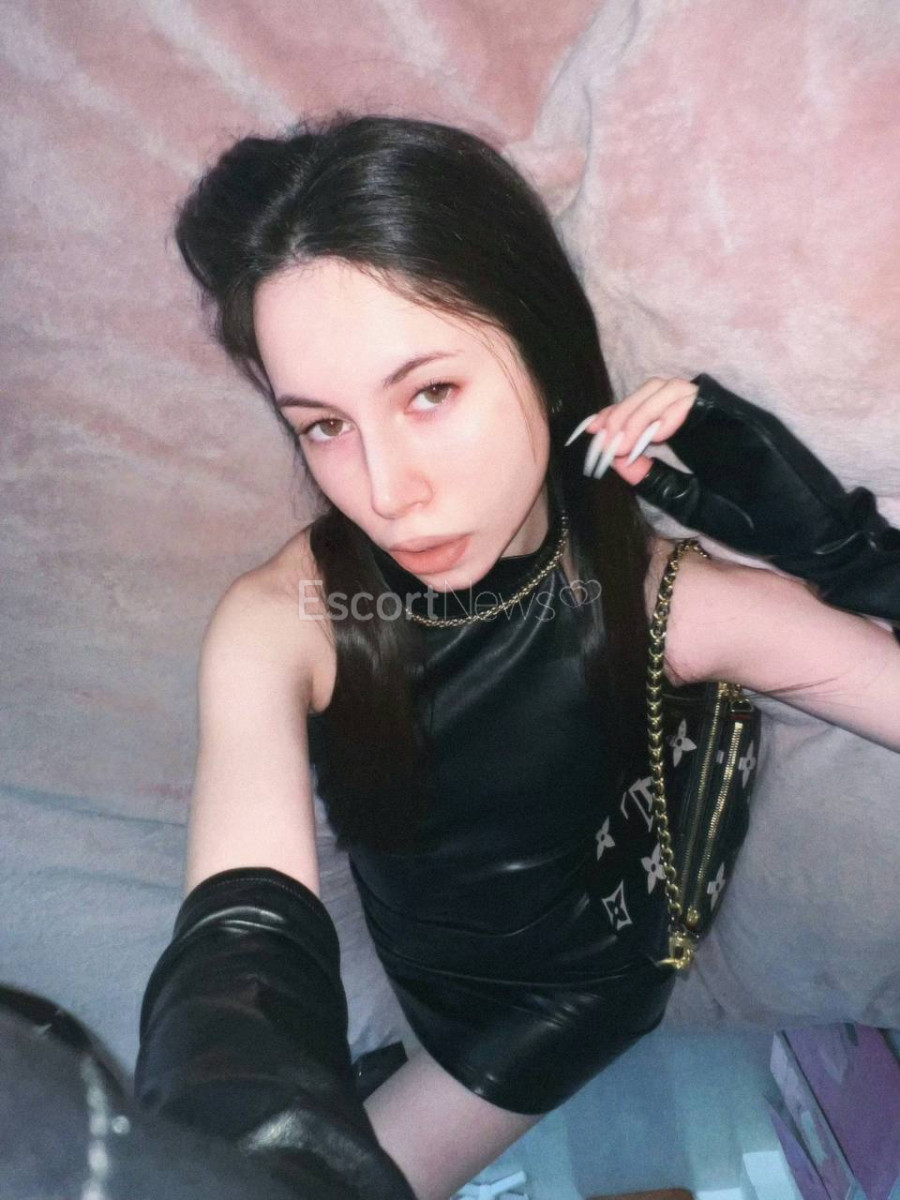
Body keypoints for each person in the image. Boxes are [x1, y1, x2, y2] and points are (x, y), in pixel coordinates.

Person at [133, 111, 900, 1200]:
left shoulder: (676, 604)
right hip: (425, 972)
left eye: (430, 393)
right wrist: (232, 1105)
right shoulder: (279, 622)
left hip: (575, 998)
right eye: (323, 425)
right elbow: (239, 936)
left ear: (545, 357)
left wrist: (836, 545)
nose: (386, 492)